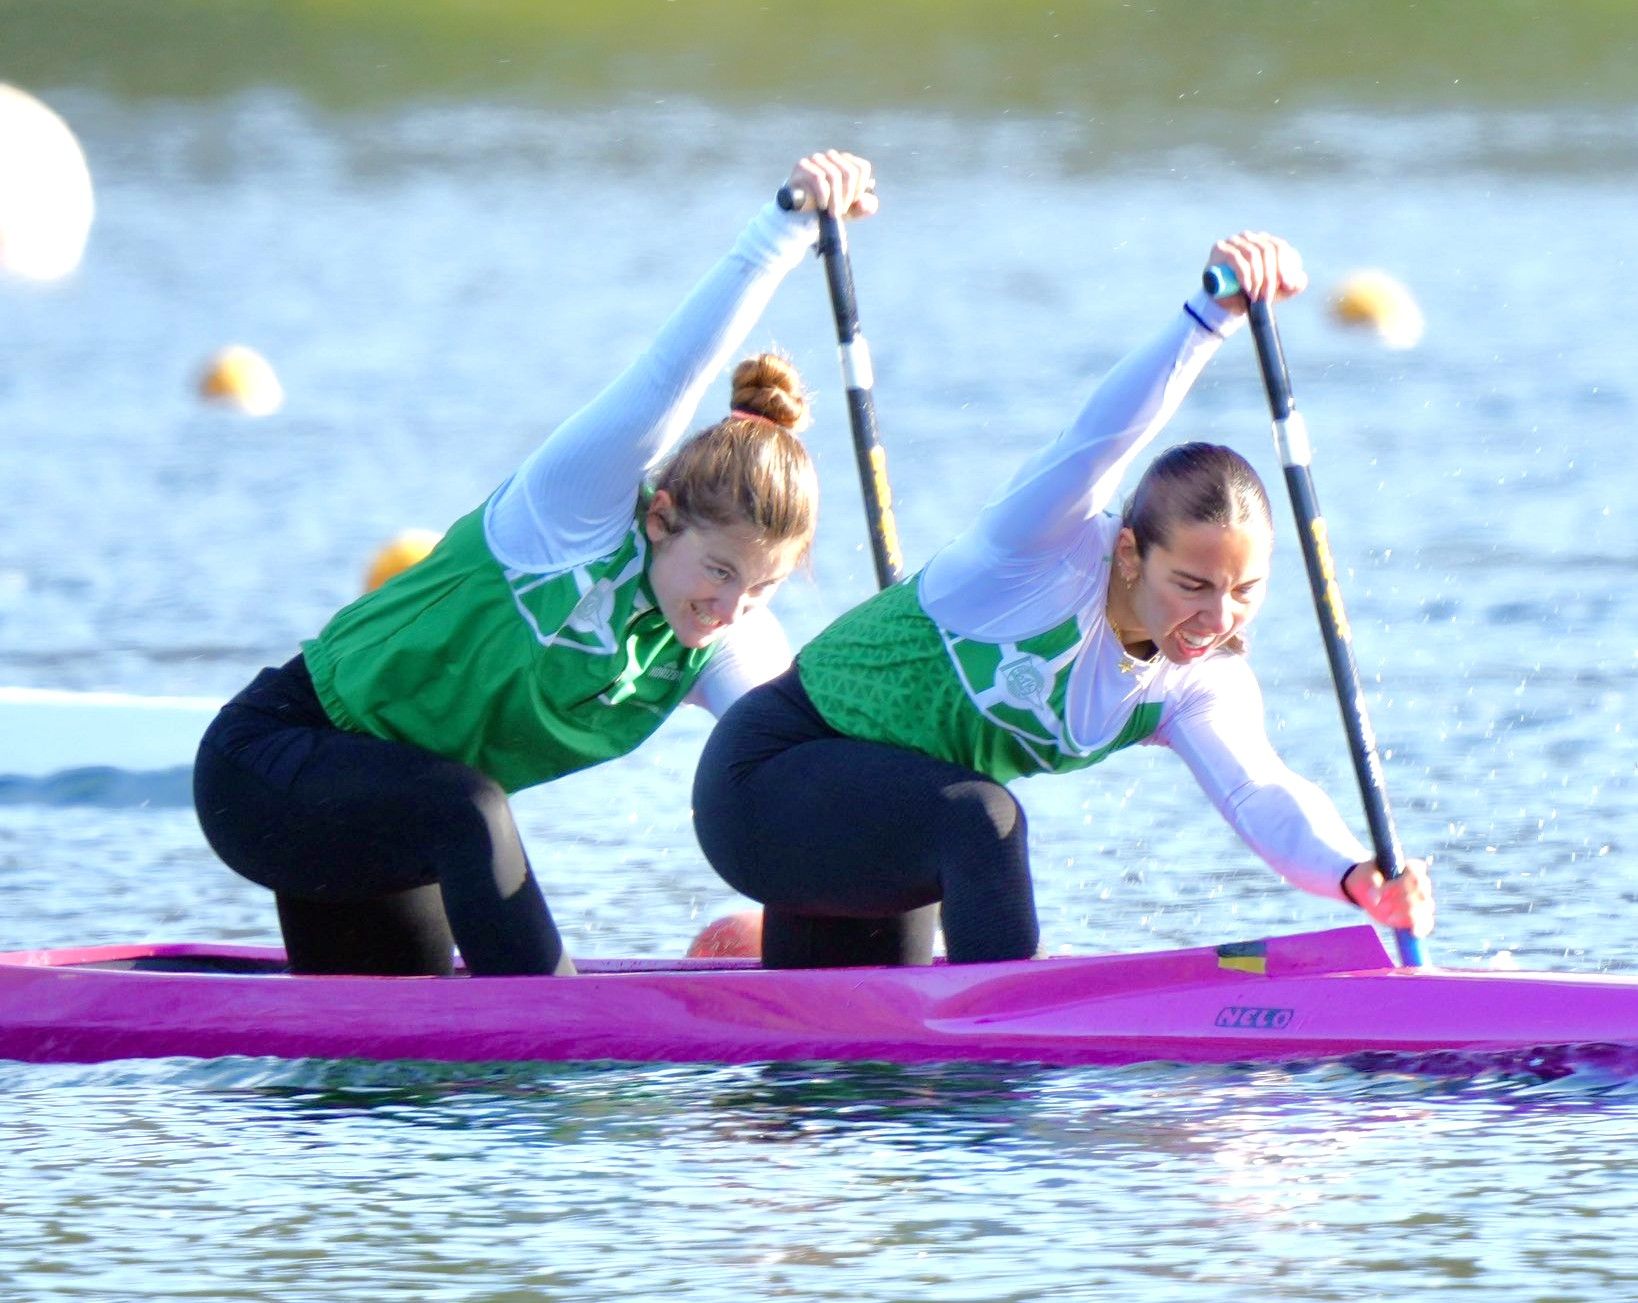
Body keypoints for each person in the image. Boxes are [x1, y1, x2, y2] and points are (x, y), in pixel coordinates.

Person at [193, 149, 880, 978]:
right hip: (269, 766)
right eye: (722, 571)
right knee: (473, 809)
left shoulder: (722, 634)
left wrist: (890, 837)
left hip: (383, 827)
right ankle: (552, 1043)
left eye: (764, 587)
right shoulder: (571, 517)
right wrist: (786, 226)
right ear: (662, 518)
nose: (732, 607)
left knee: (382, 1077)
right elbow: (672, 371)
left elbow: (790, 759)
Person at [692, 230, 1436, 968]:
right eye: (1192, 584)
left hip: (873, 828)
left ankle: (750, 973)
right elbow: (1102, 434)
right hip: (764, 784)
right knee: (987, 820)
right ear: (1129, 552)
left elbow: (1262, 792)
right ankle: (1011, 1062)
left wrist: (1354, 875)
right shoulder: (1037, 551)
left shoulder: (1199, 680)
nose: (1218, 618)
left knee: (849, 1065)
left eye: (1245, 591)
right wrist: (1208, 318)